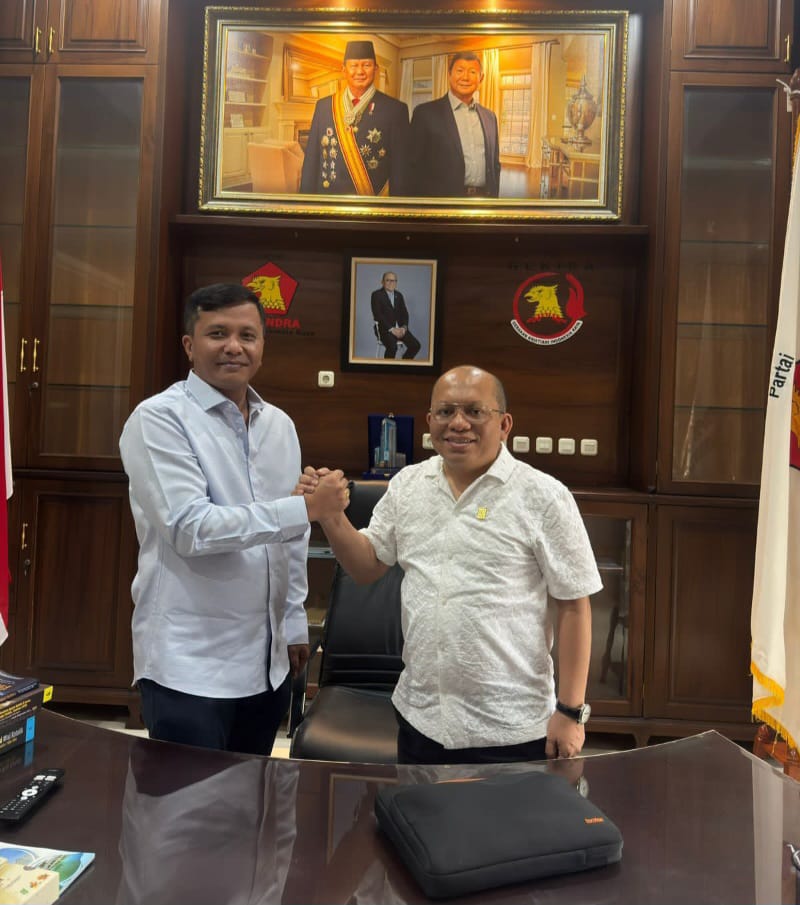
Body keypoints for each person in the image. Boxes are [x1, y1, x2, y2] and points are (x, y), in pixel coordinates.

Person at [299, 365, 602, 765]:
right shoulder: (408, 486)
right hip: (422, 719)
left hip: (511, 726)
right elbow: (367, 566)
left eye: (475, 411)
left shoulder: (544, 497)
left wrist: (570, 711)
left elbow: (573, 605)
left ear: (504, 424)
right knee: (418, 808)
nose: (458, 423)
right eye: (445, 412)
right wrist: (331, 516)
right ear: (429, 422)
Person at [119, 283, 348, 756]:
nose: (234, 346)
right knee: (188, 799)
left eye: (247, 335)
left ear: (262, 346)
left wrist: (293, 623)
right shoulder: (159, 419)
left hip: (266, 663)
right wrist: (305, 508)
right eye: (217, 333)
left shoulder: (278, 425)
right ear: (189, 345)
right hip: (189, 664)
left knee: (251, 795)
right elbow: (190, 528)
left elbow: (289, 540)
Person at [300, 40, 410, 196]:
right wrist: (305, 203)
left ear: (376, 69)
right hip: (328, 201)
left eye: (366, 65)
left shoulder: (395, 110)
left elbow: (401, 171)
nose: (360, 71)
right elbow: (311, 161)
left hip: (371, 204)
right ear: (344, 70)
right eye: (354, 66)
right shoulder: (323, 106)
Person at [408, 52, 501, 198]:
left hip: (483, 201)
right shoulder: (425, 113)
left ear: (481, 78)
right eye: (460, 71)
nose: (465, 77)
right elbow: (413, 166)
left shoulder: (490, 117)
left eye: (472, 72)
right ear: (449, 74)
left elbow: (495, 166)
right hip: (442, 202)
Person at [370, 271, 421, 360]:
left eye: (393, 281)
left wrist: (404, 327)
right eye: (388, 280)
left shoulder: (399, 295)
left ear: (396, 282)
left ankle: (402, 364)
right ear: (382, 282)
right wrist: (392, 329)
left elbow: (405, 313)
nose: (391, 283)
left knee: (415, 345)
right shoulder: (376, 295)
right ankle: (388, 367)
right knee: (392, 347)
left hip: (400, 329)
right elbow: (378, 315)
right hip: (384, 329)